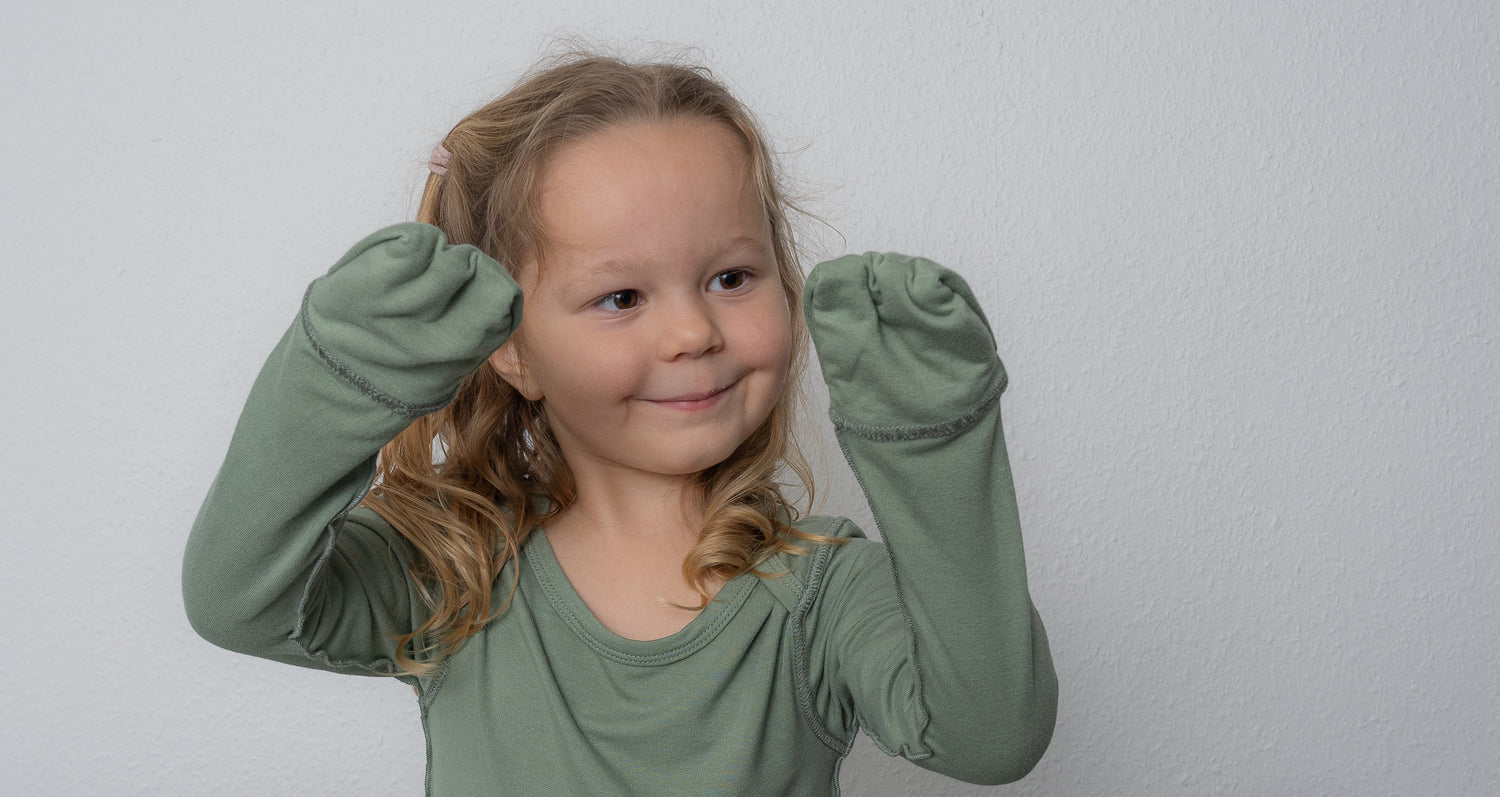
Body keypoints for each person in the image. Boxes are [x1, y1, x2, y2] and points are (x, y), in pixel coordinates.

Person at [182, 52, 1057, 795]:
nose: (693, 333)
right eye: (621, 296)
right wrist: (345, 375)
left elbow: (991, 736)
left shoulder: (821, 591)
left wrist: (933, 445)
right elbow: (239, 601)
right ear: (510, 345)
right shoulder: (454, 565)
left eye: (730, 277)